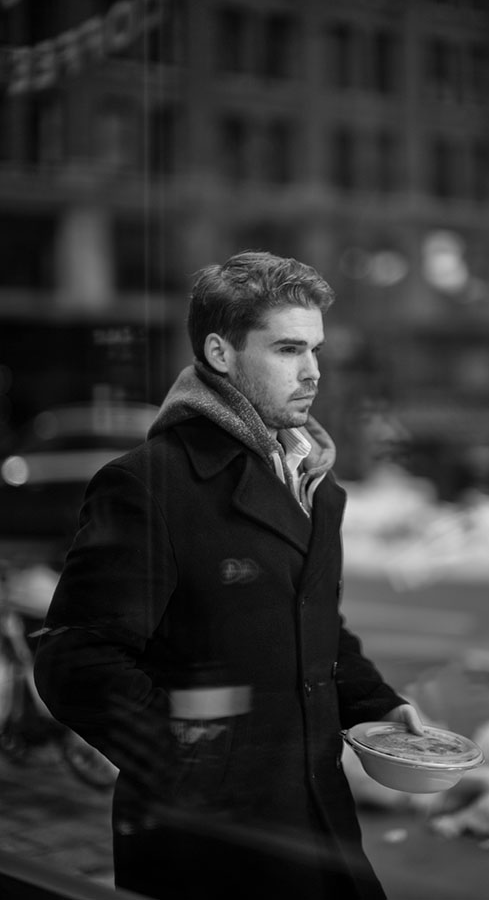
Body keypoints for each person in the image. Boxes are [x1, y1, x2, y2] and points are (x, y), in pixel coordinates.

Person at [34, 250, 423, 900]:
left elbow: (314, 626)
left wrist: (380, 707)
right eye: (288, 349)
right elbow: (76, 660)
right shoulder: (150, 484)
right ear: (220, 352)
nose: (312, 371)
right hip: (205, 847)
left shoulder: (316, 488)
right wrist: (189, 762)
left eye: (316, 349)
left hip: (319, 825)